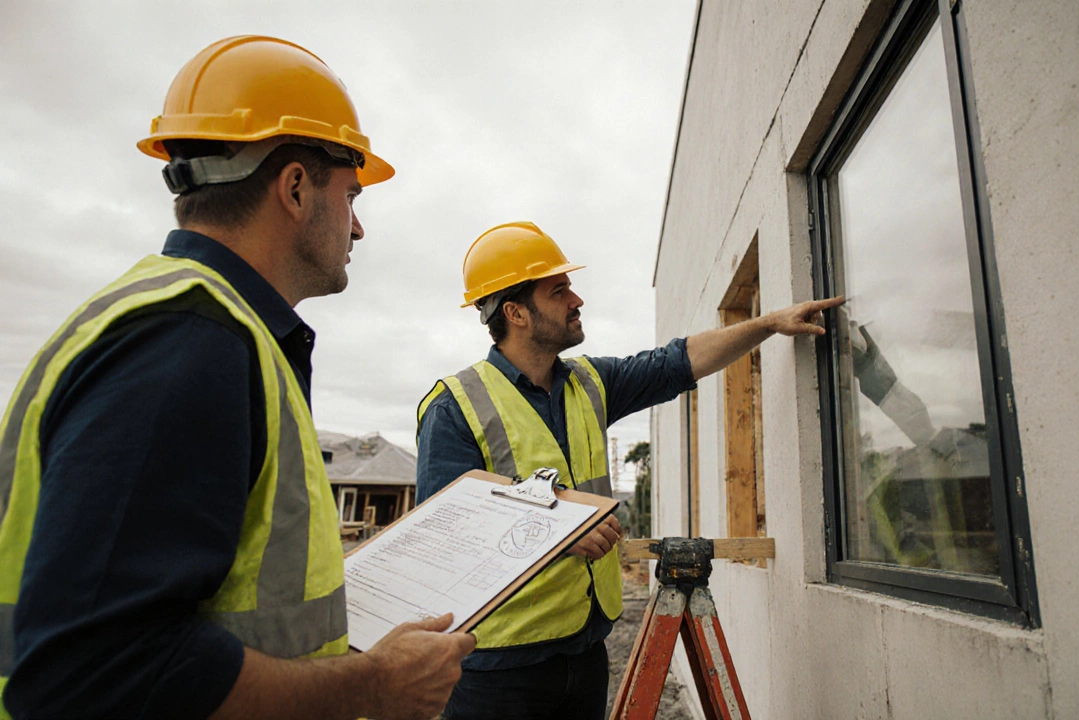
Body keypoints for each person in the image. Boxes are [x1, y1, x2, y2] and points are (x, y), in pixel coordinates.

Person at [0, 36, 474, 720]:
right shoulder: (190, 342)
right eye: (351, 193)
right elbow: (95, 668)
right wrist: (373, 685)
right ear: (294, 187)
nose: (359, 227)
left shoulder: (199, 328)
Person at [416, 221, 841, 719]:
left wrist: (767, 325)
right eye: (559, 291)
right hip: (499, 670)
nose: (576, 300)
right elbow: (444, 532)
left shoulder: (589, 383)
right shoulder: (456, 405)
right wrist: (556, 533)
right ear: (515, 312)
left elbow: (677, 362)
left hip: (586, 651)